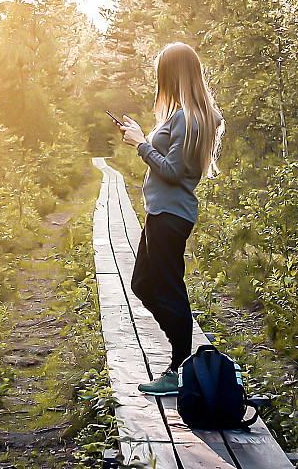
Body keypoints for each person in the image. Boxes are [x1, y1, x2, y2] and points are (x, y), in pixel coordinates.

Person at [118, 42, 224, 395]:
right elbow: (170, 158)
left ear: (173, 75)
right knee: (143, 285)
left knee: (169, 290)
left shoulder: (187, 118)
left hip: (170, 215)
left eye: (162, 75)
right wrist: (140, 133)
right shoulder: (192, 116)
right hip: (161, 213)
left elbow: (173, 171)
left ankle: (179, 367)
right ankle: (181, 358)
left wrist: (139, 144)